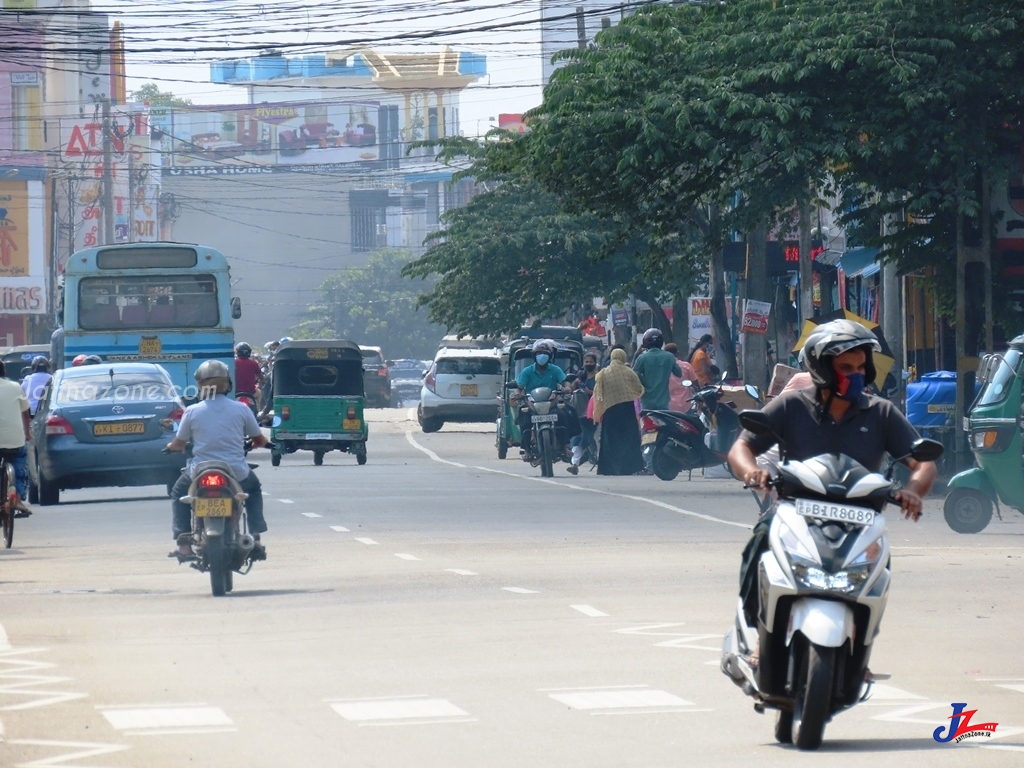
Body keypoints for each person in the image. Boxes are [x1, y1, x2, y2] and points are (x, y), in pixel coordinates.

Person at [726, 319, 938, 626]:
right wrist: (753, 472)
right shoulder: (791, 405)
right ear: (822, 369)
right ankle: (760, 632)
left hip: (860, 518)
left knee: (878, 569)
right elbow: (742, 447)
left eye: (861, 367)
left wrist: (914, 491)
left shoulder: (881, 412)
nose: (857, 375)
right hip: (795, 510)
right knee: (760, 543)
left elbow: (924, 462)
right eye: (846, 368)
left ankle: (860, 646)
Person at [165, 360, 270, 561]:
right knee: (254, 490)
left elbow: (179, 443)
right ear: (227, 383)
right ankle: (255, 540)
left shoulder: (193, 411)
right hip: (236, 470)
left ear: (201, 385)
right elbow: (259, 439)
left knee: (179, 492)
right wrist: (262, 443)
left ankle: (184, 545)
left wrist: (170, 448)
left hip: (199, 471)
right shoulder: (241, 409)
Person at [515, 340, 576, 455]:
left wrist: (567, 388)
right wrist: (518, 393)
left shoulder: (555, 369)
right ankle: (526, 449)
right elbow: (519, 387)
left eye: (545, 354)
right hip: (532, 403)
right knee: (524, 420)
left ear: (550, 356)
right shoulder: (527, 371)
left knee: (564, 416)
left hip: (551, 402)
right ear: (534, 356)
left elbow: (565, 382)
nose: (541, 357)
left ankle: (564, 444)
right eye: (539, 354)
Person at [592, 348, 645, 475]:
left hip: (610, 410)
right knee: (629, 439)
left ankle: (609, 469)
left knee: (610, 440)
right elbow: (638, 388)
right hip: (627, 410)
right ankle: (629, 468)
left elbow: (598, 392)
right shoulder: (629, 372)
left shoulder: (603, 373)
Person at [0, 360, 32, 517]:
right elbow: (25, 413)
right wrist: (27, 433)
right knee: (19, 467)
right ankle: (18, 499)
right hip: (15, 440)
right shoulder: (15, 387)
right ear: (4, 372)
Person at [633, 329, 682, 412]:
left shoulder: (642, 358)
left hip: (647, 401)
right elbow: (679, 373)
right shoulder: (670, 356)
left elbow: (634, 374)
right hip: (663, 403)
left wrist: (643, 382)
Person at [566, 351, 599, 475]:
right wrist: (572, 386)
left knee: (588, 437)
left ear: (595, 363)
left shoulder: (598, 377)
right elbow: (572, 388)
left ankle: (583, 457)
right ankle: (575, 463)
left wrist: (587, 391)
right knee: (578, 436)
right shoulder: (580, 375)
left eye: (591, 362)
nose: (588, 364)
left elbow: (599, 393)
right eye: (586, 362)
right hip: (579, 411)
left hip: (592, 411)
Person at [664, 342, 698, 411]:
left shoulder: (662, 368)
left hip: (669, 407)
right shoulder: (686, 366)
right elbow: (695, 384)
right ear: (677, 353)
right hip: (687, 405)